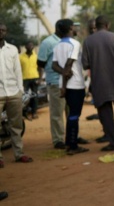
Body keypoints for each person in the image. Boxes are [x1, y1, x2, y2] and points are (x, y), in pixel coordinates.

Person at [82, 16, 114, 151]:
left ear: (96, 26)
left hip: (99, 83)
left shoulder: (88, 41)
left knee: (106, 115)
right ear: (108, 25)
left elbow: (85, 64)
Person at [51, 20, 89, 155]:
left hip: (65, 84)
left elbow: (54, 66)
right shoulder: (75, 44)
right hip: (75, 85)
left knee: (72, 114)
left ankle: (69, 141)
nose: (76, 29)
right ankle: (73, 146)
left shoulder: (57, 45)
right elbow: (69, 65)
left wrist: (63, 77)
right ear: (70, 28)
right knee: (74, 115)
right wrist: (64, 86)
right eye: (74, 27)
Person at [0, 23, 34, 165]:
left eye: (3, 29)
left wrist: (20, 90)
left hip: (14, 92)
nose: (0, 32)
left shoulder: (12, 50)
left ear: (6, 32)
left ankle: (19, 154)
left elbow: (18, 71)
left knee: (16, 125)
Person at [37, 19, 70, 149]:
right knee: (57, 113)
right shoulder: (48, 42)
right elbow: (40, 63)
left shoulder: (68, 42)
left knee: (71, 111)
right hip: (56, 83)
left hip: (70, 83)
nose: (72, 30)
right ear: (60, 29)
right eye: (70, 28)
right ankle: (58, 140)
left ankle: (72, 136)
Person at [19, 41, 42, 119]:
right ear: (25, 47)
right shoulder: (21, 57)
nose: (30, 47)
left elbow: (40, 68)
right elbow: (18, 69)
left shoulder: (36, 56)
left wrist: (40, 79)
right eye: (28, 45)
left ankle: (34, 113)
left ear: (33, 47)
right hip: (24, 79)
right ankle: (24, 113)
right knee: (24, 97)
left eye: (31, 45)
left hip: (34, 78)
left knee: (34, 96)